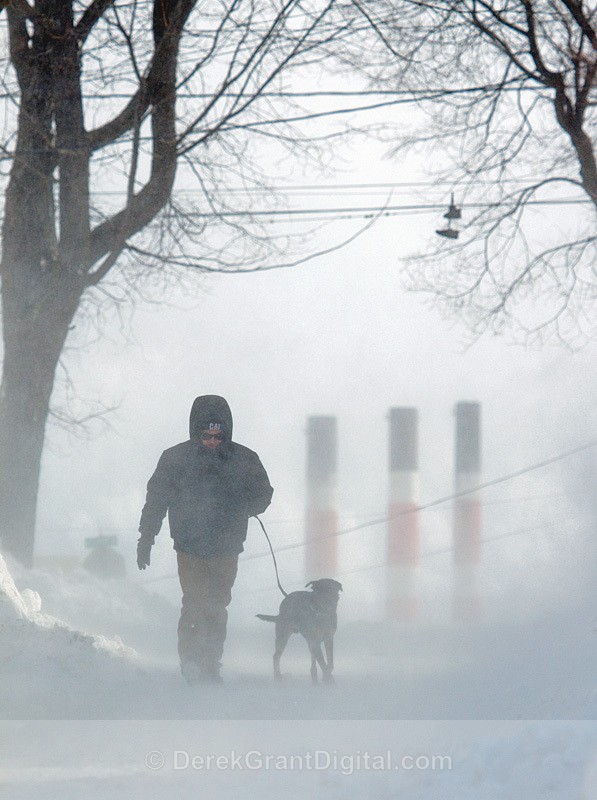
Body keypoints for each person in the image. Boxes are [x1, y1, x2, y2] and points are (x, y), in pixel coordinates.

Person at [137, 395, 273, 684]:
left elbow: (264, 493)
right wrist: (146, 537)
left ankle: (211, 660)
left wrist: (243, 507)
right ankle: (190, 660)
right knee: (195, 602)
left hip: (227, 546)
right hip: (190, 545)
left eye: (218, 435)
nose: (212, 441)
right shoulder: (175, 459)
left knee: (217, 604)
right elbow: (157, 499)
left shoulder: (244, 459)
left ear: (227, 432)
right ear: (195, 431)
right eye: (206, 435)